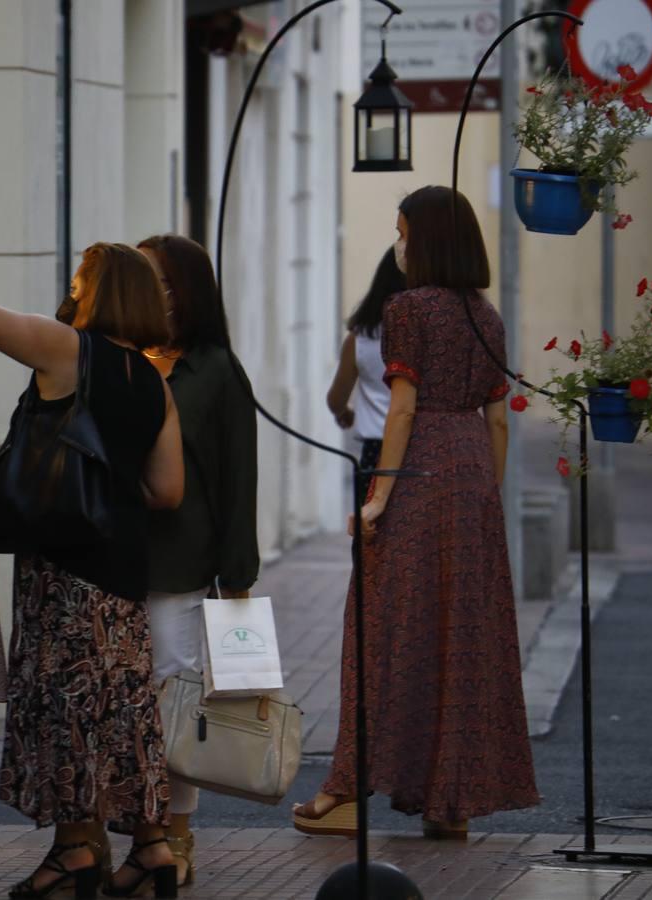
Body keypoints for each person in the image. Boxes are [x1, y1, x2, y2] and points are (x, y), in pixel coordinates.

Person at [0, 244, 185, 900]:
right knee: (124, 705)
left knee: (65, 706)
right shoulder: (152, 380)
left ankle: (75, 850)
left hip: (64, 567)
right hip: (124, 572)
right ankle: (153, 844)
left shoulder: (65, 349)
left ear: (96, 291)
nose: (71, 289)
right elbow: (167, 489)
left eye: (80, 280)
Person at [291, 185, 539, 839]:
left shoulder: (408, 309)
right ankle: (449, 803)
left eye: (402, 231)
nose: (398, 244)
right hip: (474, 480)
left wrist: (378, 497)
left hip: (420, 471)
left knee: (378, 631)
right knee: (461, 639)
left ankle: (348, 789)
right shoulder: (486, 316)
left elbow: (401, 408)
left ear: (421, 240)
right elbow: (498, 420)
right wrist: (487, 492)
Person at [116, 233, 258, 890]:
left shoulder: (218, 372)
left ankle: (177, 830)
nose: (157, 298)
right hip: (111, 562)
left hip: (181, 567)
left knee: (174, 702)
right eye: (146, 283)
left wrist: (238, 580)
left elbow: (238, 481)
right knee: (120, 703)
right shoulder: (113, 362)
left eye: (167, 284)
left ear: (191, 292)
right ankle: (133, 830)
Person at [326, 246, 407, 473]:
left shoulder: (360, 338)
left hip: (376, 452)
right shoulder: (430, 335)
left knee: (372, 507)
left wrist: (344, 412)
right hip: (422, 450)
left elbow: (336, 399)